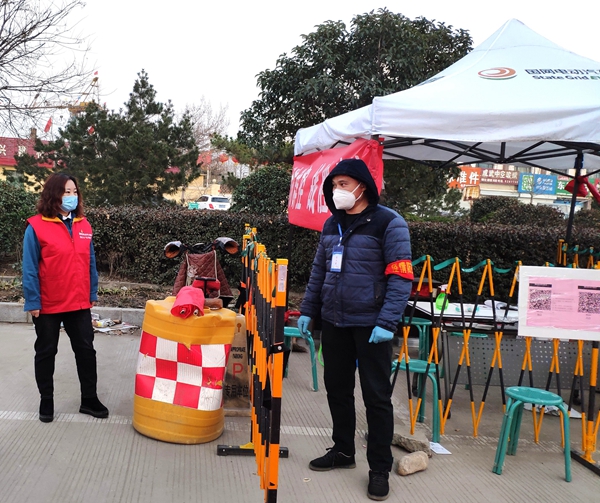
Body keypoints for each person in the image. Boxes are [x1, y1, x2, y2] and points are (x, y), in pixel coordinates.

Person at [297, 158, 413, 501]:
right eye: (334, 185)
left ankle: (379, 468)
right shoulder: (332, 224)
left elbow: (401, 277)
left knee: (376, 397)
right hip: (335, 321)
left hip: (371, 325)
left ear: (362, 186)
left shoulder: (389, 223)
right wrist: (308, 310)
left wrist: (387, 322)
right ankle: (343, 450)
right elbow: (319, 271)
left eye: (344, 184)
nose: (338, 191)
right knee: (337, 389)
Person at [22, 173, 109, 423]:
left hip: (78, 302)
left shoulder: (83, 225)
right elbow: (29, 267)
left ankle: (89, 399)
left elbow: (90, 262)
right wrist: (33, 301)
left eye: (74, 192)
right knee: (46, 352)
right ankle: (46, 400)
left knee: (86, 350)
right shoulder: (36, 227)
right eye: (66, 192)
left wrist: (92, 292)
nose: (71, 197)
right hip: (48, 303)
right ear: (53, 194)